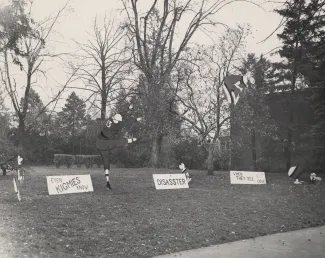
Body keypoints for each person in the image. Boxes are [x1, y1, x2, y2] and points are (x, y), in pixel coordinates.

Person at [96, 112, 142, 189]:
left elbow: (126, 121)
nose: (117, 122)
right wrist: (136, 119)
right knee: (116, 142)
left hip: (99, 142)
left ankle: (107, 182)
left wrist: (132, 114)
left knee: (106, 161)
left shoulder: (113, 121)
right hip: (103, 143)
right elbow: (126, 122)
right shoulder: (116, 125)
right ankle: (133, 140)